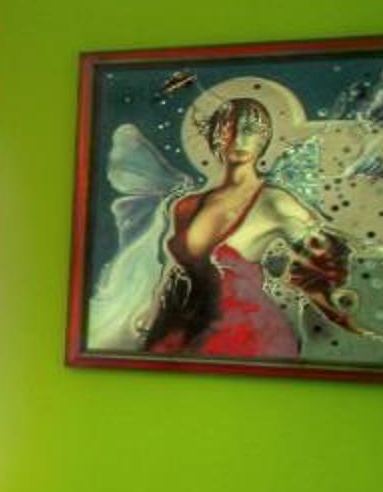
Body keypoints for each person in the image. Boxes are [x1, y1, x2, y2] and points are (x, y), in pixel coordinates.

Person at [128, 97, 365, 358]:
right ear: (214, 137)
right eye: (228, 130)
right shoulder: (186, 206)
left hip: (247, 331)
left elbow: (322, 259)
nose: (239, 140)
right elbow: (172, 272)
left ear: (263, 138)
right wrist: (151, 313)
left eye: (250, 131)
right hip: (180, 328)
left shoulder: (274, 202)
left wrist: (335, 301)